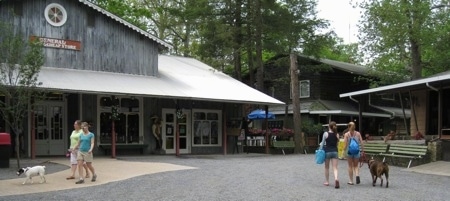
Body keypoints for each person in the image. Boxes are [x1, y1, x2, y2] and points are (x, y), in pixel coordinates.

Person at [319, 121, 340, 189]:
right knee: (335, 168)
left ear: (329, 127)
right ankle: (336, 178)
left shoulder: (326, 133)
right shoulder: (337, 134)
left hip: (327, 151)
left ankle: (327, 181)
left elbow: (322, 143)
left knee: (327, 167)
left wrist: (320, 150)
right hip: (335, 152)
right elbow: (337, 143)